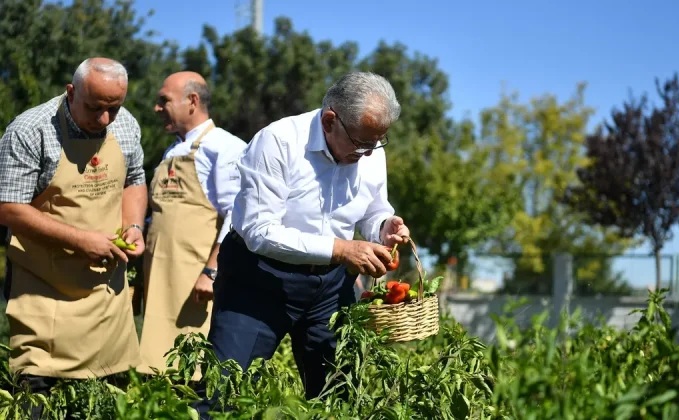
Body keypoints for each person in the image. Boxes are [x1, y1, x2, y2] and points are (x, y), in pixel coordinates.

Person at [194, 71, 410, 417]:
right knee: (224, 392)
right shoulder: (278, 142)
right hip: (258, 282)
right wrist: (342, 249)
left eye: (378, 142)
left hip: (329, 288)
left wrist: (384, 227)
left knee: (338, 394)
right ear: (329, 121)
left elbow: (373, 208)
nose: (369, 153)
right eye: (361, 142)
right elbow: (258, 231)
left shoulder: (368, 149)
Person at [0, 57, 145, 416]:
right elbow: (8, 207)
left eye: (114, 108)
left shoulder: (125, 125)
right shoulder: (29, 130)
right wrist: (81, 240)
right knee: (37, 401)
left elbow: (135, 180)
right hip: (43, 288)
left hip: (104, 292)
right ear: (71, 92)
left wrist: (134, 224)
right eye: (95, 108)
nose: (105, 120)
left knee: (108, 401)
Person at [137, 71, 247, 376]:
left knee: (190, 366)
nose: (157, 108)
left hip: (195, 283)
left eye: (164, 101)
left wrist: (211, 270)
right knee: (158, 367)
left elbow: (237, 215)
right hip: (161, 277)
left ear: (192, 101)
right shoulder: (172, 150)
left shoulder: (224, 147)